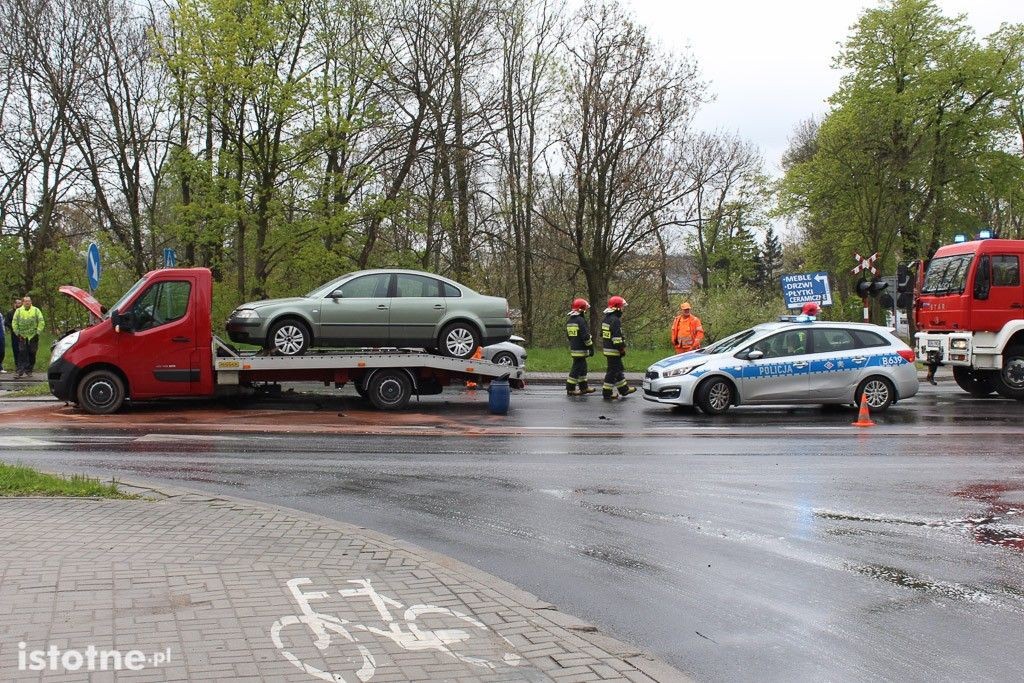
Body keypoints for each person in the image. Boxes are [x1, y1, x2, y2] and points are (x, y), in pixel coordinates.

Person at [601, 295, 636, 400]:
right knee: (612, 372)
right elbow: (617, 338)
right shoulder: (615, 320)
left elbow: (602, 334)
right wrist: (621, 349)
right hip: (614, 350)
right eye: (622, 307)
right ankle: (607, 392)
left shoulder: (606, 319)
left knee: (618, 369)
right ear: (617, 307)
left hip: (607, 348)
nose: (622, 309)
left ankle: (623, 389)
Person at [565, 298, 596, 396]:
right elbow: (585, 337)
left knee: (583, 368)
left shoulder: (570, 321)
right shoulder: (581, 320)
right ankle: (570, 389)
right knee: (576, 369)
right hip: (581, 349)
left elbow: (569, 336)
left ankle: (584, 388)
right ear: (582, 310)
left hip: (574, 348)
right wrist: (590, 347)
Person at [13, 295, 45, 378]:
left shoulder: (36, 310)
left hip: (33, 336)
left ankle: (29, 370)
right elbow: (14, 322)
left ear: (31, 302)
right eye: (26, 301)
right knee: (22, 353)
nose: (27, 302)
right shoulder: (18, 311)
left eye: (29, 301)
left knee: (32, 353)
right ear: (23, 302)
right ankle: (19, 371)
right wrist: (17, 333)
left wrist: (38, 332)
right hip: (22, 336)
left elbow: (41, 321)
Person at [6, 297, 19, 373]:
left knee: (24, 351)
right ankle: (17, 365)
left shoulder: (23, 312)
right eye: (17, 303)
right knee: (16, 350)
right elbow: (6, 322)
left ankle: (25, 366)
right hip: (14, 334)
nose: (18, 304)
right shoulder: (10, 313)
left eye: (20, 303)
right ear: (14, 304)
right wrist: (13, 328)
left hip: (24, 334)